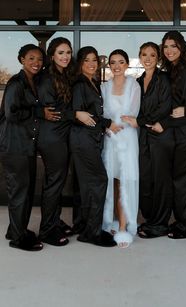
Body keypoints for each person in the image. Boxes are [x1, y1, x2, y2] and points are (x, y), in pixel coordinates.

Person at [70, 46, 121, 247]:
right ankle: (92, 232)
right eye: (86, 60)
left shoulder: (93, 82)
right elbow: (82, 116)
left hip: (92, 140)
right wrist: (108, 123)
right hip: (83, 140)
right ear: (80, 63)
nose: (91, 64)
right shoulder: (79, 85)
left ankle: (85, 227)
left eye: (94, 60)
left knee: (88, 184)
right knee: (99, 180)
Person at [123, 42, 174, 239]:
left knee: (160, 180)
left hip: (160, 136)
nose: (148, 58)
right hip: (143, 135)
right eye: (144, 54)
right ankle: (150, 218)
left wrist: (139, 121)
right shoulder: (138, 80)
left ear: (158, 58)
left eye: (152, 55)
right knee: (146, 178)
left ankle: (160, 224)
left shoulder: (163, 79)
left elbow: (164, 107)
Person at [0, 44, 45, 251]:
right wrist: (38, 112)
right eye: (31, 58)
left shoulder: (32, 82)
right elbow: (11, 113)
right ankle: (18, 239)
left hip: (26, 145)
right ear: (21, 60)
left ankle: (16, 229)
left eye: (39, 59)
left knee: (25, 191)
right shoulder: (16, 83)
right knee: (20, 192)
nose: (36, 63)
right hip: (14, 146)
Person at [160, 31, 186, 239]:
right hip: (179, 132)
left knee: (185, 181)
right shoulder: (173, 70)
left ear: (181, 48)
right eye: (166, 47)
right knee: (179, 179)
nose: (169, 51)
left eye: (173, 47)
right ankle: (182, 222)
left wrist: (185, 111)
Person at [37, 37, 75, 246]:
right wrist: (77, 114)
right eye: (61, 53)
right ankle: (47, 229)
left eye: (68, 52)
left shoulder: (64, 76)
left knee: (57, 182)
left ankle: (54, 220)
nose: (65, 56)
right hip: (52, 137)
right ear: (52, 55)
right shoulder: (46, 78)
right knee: (54, 183)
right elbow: (55, 111)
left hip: (61, 136)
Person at [101, 49, 141, 248]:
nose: (117, 66)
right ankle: (110, 223)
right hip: (109, 138)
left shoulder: (134, 85)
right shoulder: (103, 87)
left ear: (127, 65)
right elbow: (102, 112)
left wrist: (116, 123)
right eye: (113, 62)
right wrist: (109, 127)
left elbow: (132, 114)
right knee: (111, 181)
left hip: (127, 139)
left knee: (125, 180)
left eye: (121, 62)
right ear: (109, 66)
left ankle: (124, 227)